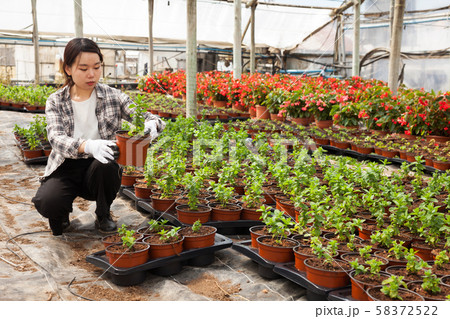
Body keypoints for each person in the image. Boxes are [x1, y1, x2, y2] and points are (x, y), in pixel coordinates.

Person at [32, 38, 165, 236]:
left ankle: (103, 212)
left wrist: (153, 124)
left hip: (99, 164)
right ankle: (61, 213)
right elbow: (56, 138)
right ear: (68, 69)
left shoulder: (113, 96)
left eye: (97, 67)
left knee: (108, 163)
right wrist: (88, 145)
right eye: (83, 68)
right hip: (65, 165)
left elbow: (146, 116)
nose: (91, 74)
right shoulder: (56, 101)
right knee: (48, 202)